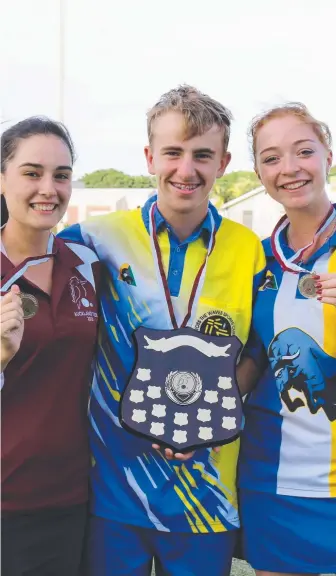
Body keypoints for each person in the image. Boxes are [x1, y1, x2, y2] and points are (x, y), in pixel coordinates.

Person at [59, 85, 266, 576]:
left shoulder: (249, 250)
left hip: (206, 494)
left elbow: (258, 352)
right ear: (150, 156)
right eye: (172, 152)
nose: (186, 170)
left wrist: (206, 420)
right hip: (115, 489)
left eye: (202, 155)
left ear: (224, 161)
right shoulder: (94, 238)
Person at [237, 103, 336, 575]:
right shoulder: (254, 262)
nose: (290, 168)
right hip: (273, 480)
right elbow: (252, 357)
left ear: (328, 155)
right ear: (257, 172)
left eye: (303, 151)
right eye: (271, 158)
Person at [1, 117, 100, 576]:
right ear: (2, 178)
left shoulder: (86, 265)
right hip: (7, 502)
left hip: (74, 497)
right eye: (32, 172)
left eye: (61, 175)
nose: (49, 188)